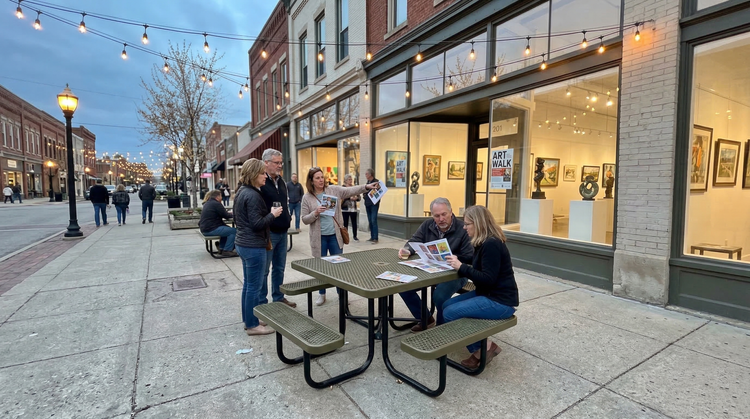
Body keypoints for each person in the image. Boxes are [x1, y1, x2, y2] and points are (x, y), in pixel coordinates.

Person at [443, 205, 519, 369]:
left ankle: (483, 347)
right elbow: (476, 261)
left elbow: (488, 279)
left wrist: (461, 267)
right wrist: (457, 259)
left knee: (449, 313)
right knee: (446, 305)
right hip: (488, 294)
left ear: (478, 224)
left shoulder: (491, 244)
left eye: (467, 224)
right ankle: (480, 344)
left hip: (501, 301)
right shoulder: (483, 242)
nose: (464, 227)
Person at [302, 167, 378, 306]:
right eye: (317, 178)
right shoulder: (307, 197)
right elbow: (304, 219)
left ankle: (341, 295)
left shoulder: (333, 190)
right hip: (319, 238)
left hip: (334, 236)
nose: (321, 180)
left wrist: (366, 186)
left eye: (321, 177)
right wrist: (315, 213)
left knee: (339, 268)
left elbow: (351, 190)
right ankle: (321, 293)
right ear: (311, 181)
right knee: (321, 268)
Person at [397, 198, 474, 331]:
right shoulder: (428, 225)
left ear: (451, 212)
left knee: (439, 296)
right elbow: (414, 240)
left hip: (456, 273)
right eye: (437, 216)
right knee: (403, 286)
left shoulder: (463, 228)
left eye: (444, 214)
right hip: (431, 268)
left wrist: (454, 258)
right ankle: (425, 319)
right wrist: (407, 250)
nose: (441, 219)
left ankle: (440, 330)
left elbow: (470, 256)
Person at [234, 158, 283, 336]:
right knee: (253, 287)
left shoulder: (241, 191)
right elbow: (257, 223)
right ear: (254, 174)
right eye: (262, 173)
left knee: (249, 286)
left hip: (243, 243)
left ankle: (250, 319)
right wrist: (272, 214)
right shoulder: (253, 195)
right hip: (253, 245)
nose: (265, 176)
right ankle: (253, 325)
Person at [259, 148, 296, 308]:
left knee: (279, 268)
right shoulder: (260, 181)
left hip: (283, 231)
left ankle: (278, 297)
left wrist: (288, 217)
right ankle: (262, 303)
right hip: (269, 232)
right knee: (264, 270)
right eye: (276, 162)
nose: (280, 165)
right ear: (266, 163)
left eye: (281, 162)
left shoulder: (281, 181)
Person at [200, 189, 237, 256]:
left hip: (206, 228)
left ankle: (222, 248)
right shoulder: (216, 204)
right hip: (211, 229)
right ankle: (227, 250)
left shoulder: (208, 203)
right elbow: (226, 215)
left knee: (227, 229)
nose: (221, 198)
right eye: (221, 196)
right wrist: (236, 214)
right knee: (234, 231)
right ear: (217, 197)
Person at [341, 174, 360, 242]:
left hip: (353, 208)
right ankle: (345, 236)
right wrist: (349, 198)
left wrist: (356, 198)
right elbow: (341, 197)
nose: (350, 181)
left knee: (354, 222)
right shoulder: (343, 188)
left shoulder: (354, 187)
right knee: (345, 223)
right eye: (349, 179)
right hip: (345, 208)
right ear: (345, 180)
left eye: (351, 179)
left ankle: (355, 236)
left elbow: (359, 197)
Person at [363, 168, 380, 244]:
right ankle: (372, 236)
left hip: (374, 204)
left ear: (370, 175)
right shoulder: (368, 182)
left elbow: (378, 193)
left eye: (366, 174)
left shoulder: (376, 182)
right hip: (367, 203)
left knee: (373, 220)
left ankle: (375, 238)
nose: (365, 175)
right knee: (370, 220)